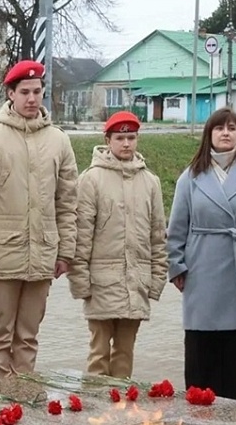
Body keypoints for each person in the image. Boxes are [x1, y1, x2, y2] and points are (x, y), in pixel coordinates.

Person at [0, 60, 78, 379]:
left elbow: (68, 202)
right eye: (24, 92)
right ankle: (0, 398)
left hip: (42, 254)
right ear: (10, 94)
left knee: (28, 336)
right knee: (0, 335)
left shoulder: (59, 140)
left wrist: (65, 251)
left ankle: (23, 395)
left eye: (37, 91)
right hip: (3, 257)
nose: (31, 98)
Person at [67, 111, 168, 379]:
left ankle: (121, 401)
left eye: (131, 138)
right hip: (101, 284)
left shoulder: (150, 182)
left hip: (136, 283)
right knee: (99, 352)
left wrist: (156, 280)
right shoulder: (91, 179)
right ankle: (96, 401)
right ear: (107, 140)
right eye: (120, 138)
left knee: (125, 352)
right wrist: (80, 282)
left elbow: (158, 236)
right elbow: (81, 236)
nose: (126, 144)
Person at [167, 107, 236, 402]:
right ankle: (199, 413)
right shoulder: (191, 177)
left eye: (231, 128)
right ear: (209, 134)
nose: (225, 133)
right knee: (201, 355)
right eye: (219, 128)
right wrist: (176, 266)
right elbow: (176, 227)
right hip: (202, 273)